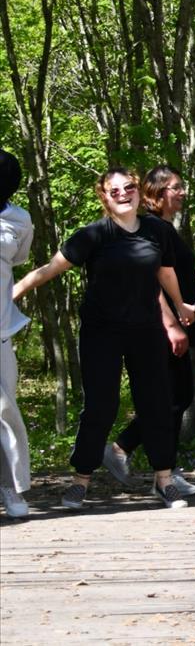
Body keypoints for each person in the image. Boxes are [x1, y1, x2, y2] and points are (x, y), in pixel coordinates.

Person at [12, 167, 195, 509]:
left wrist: (180, 304)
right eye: (115, 191)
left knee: (155, 401)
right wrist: (14, 290)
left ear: (140, 192)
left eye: (129, 188)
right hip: (102, 332)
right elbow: (50, 268)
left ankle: (164, 480)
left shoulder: (157, 230)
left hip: (145, 329)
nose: (123, 194)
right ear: (105, 197)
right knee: (100, 405)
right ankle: (81, 480)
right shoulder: (93, 235)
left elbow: (164, 271)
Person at [102, 165, 195, 497]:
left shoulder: (163, 228)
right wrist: (171, 325)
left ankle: (166, 472)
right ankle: (124, 451)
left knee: (176, 396)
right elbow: (151, 279)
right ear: (157, 194)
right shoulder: (155, 227)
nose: (182, 192)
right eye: (175, 187)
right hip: (162, 327)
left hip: (176, 323)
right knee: (174, 397)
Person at [0, 150, 33, 517]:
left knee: (5, 410)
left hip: (1, 329)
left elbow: (19, 259)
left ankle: (11, 488)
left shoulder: (19, 219)